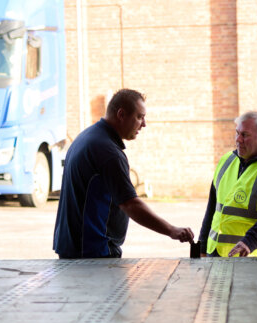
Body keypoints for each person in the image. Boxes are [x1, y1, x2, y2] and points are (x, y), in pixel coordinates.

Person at [53, 88, 194, 258]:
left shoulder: (86, 138)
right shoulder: (107, 152)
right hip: (93, 252)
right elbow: (130, 204)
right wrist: (171, 230)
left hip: (73, 247)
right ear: (121, 114)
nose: (144, 124)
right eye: (139, 117)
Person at [198, 110, 257, 257]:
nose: (238, 139)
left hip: (254, 261)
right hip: (216, 255)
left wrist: (250, 242)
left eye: (245, 135)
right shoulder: (225, 161)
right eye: (237, 133)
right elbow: (212, 208)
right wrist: (202, 247)